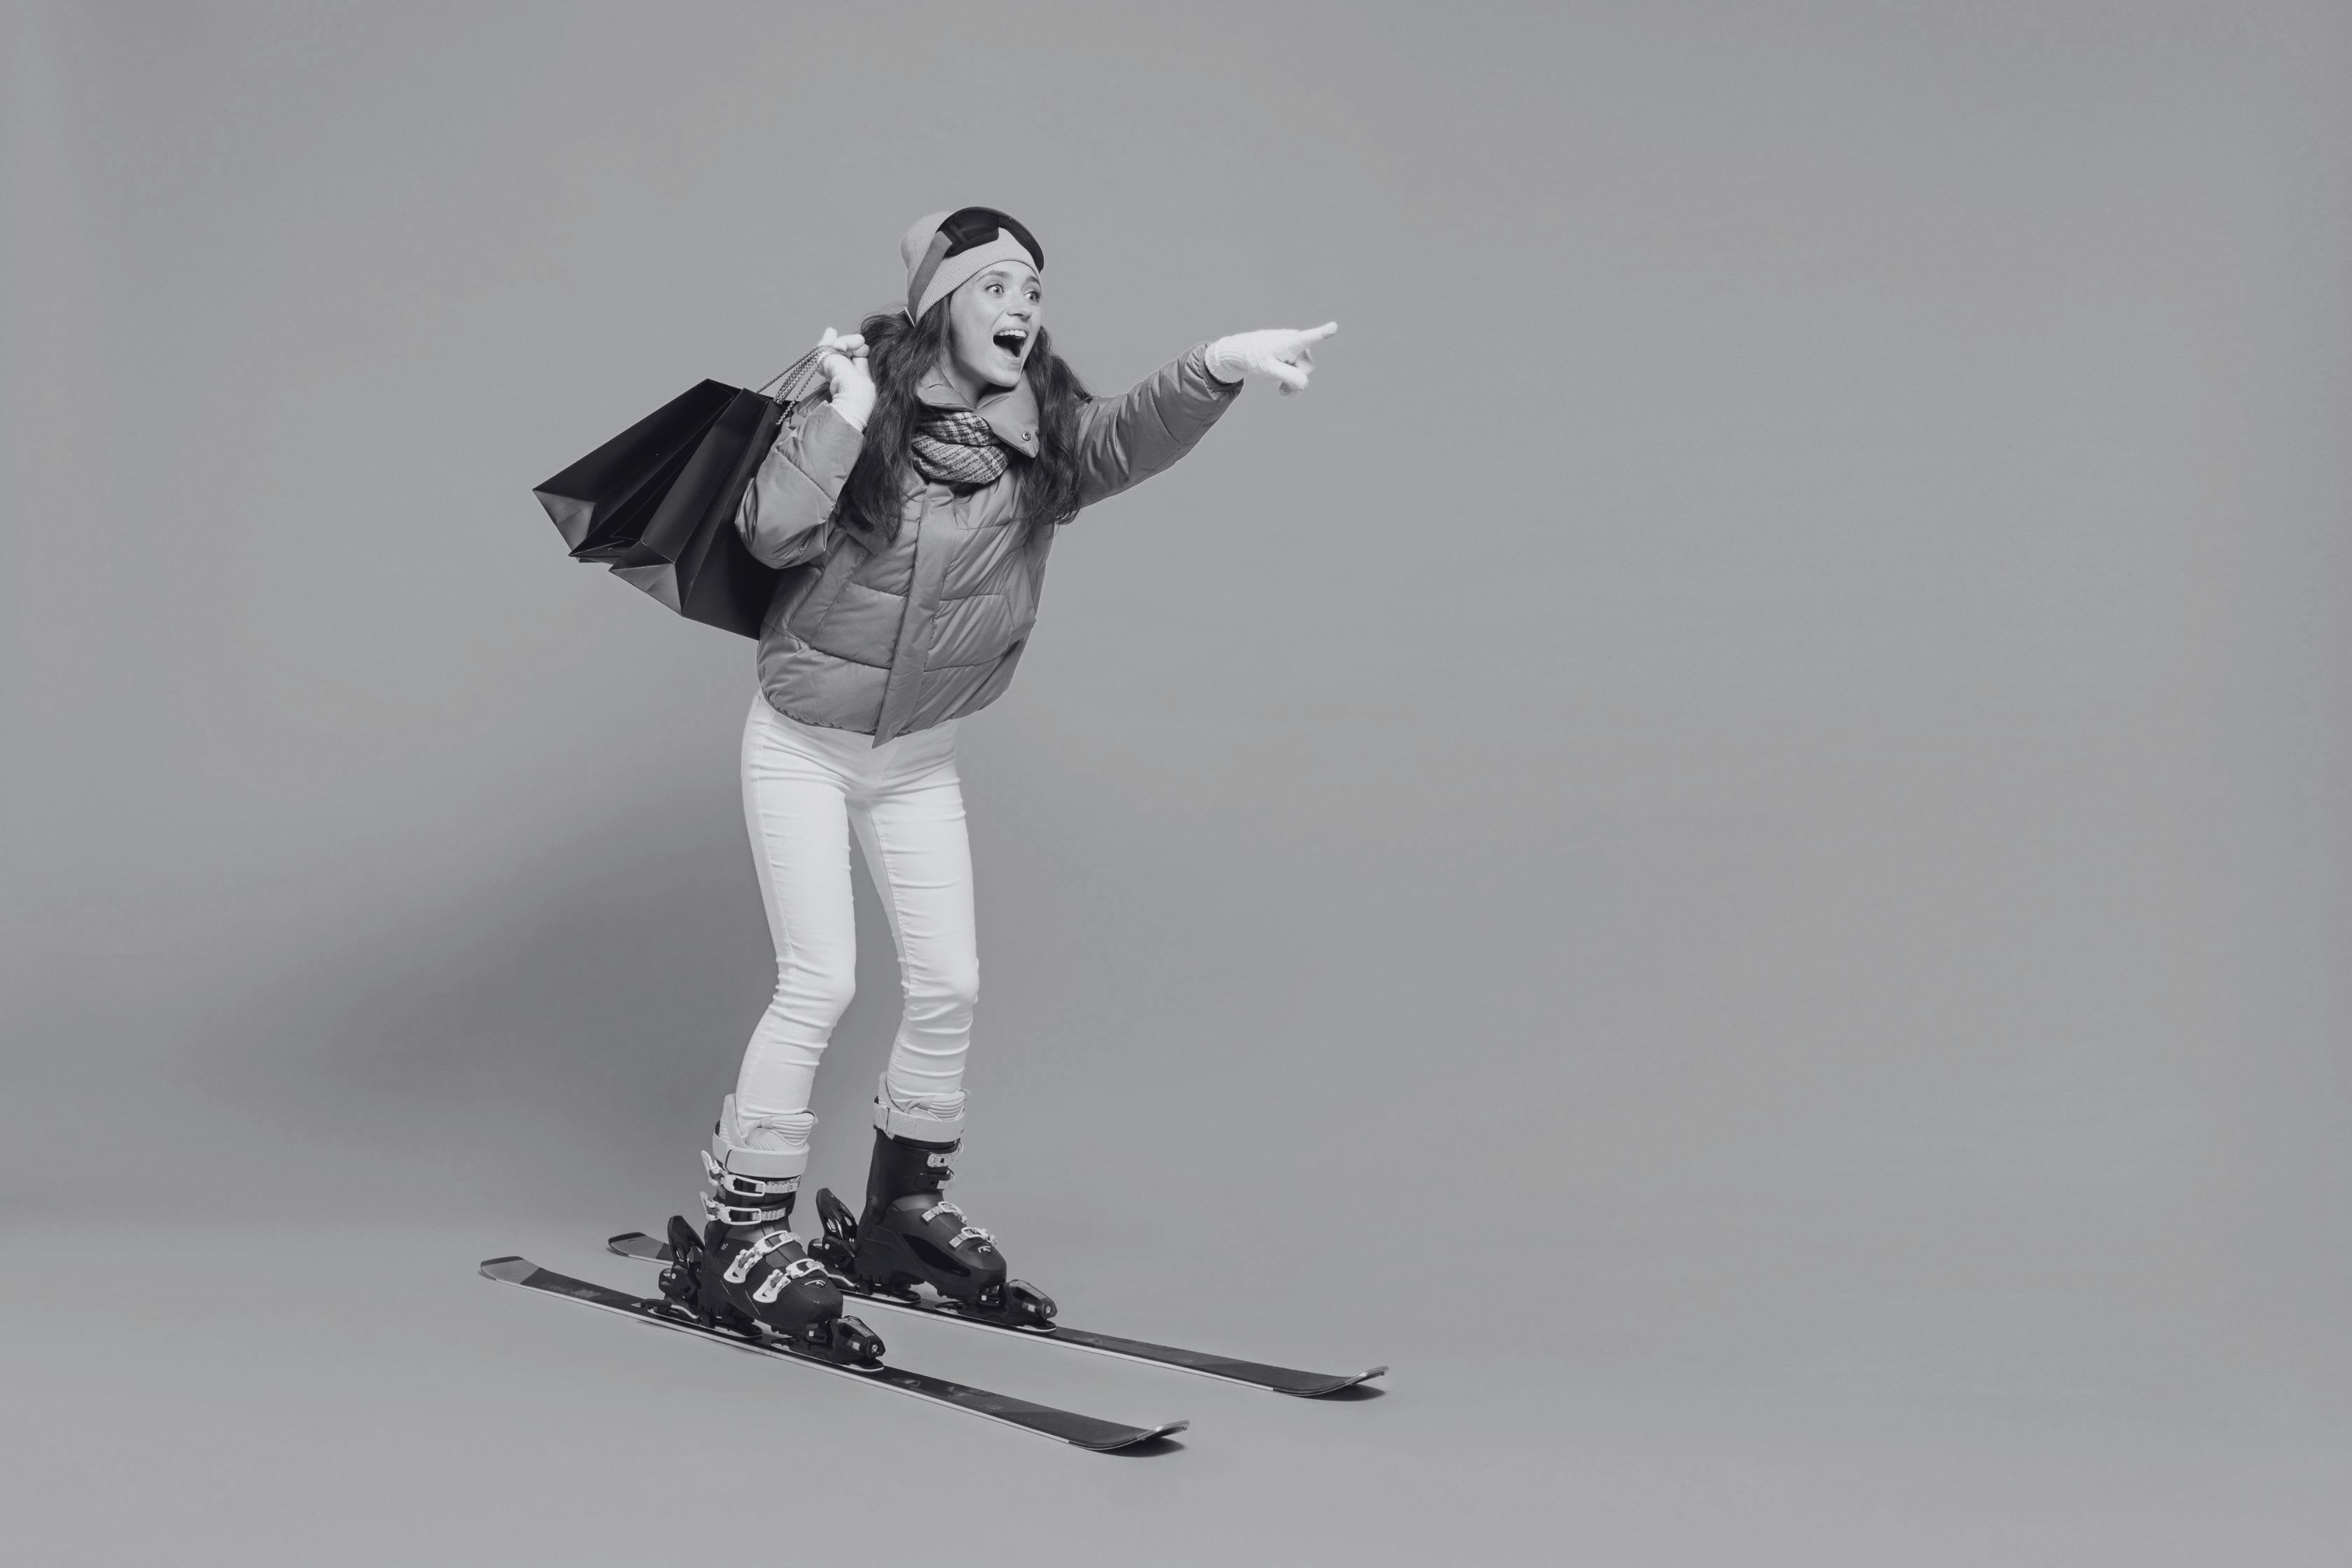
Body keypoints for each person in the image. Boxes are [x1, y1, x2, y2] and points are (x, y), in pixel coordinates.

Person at [687, 206, 1335, 1346]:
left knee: (949, 985)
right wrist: (838, 419)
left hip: (918, 758)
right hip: (802, 741)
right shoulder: (857, 411)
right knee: (820, 982)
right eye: (999, 286)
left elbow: (1129, 432)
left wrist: (1217, 367)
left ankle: (901, 1215)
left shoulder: (1047, 438)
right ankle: (743, 1235)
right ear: (943, 300)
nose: (1025, 304)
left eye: (1036, 289)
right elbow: (771, 533)